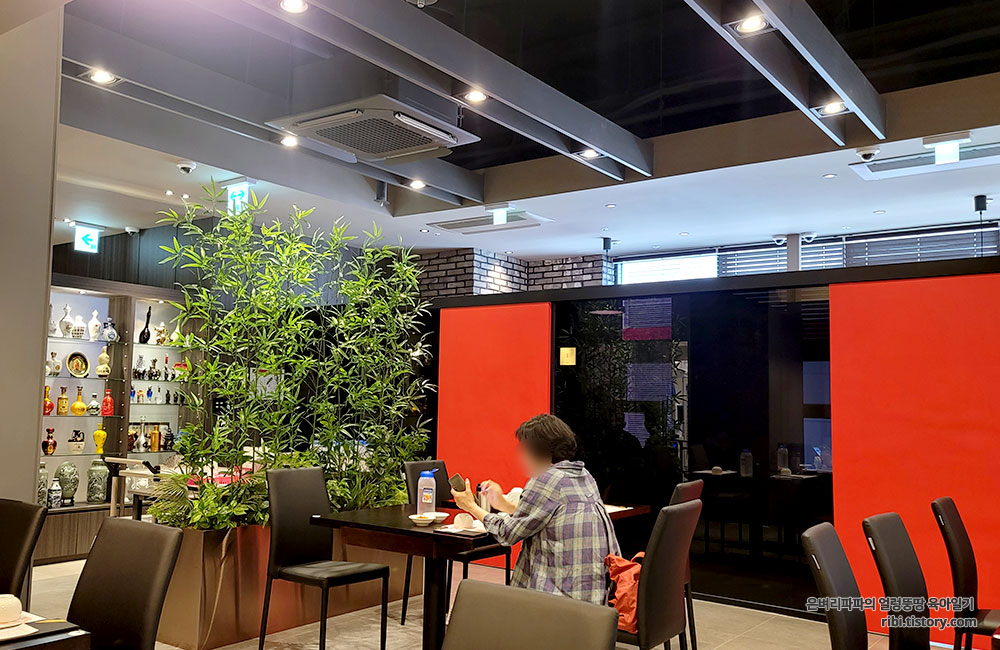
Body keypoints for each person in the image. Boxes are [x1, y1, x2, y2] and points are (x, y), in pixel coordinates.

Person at [450, 413, 620, 605]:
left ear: (539, 452)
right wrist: (502, 503)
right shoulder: (583, 476)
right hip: (595, 598)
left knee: (480, 602)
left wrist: (471, 506)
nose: (520, 456)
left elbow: (507, 534)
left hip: (559, 600)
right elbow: (542, 516)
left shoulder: (546, 480)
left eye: (523, 449)